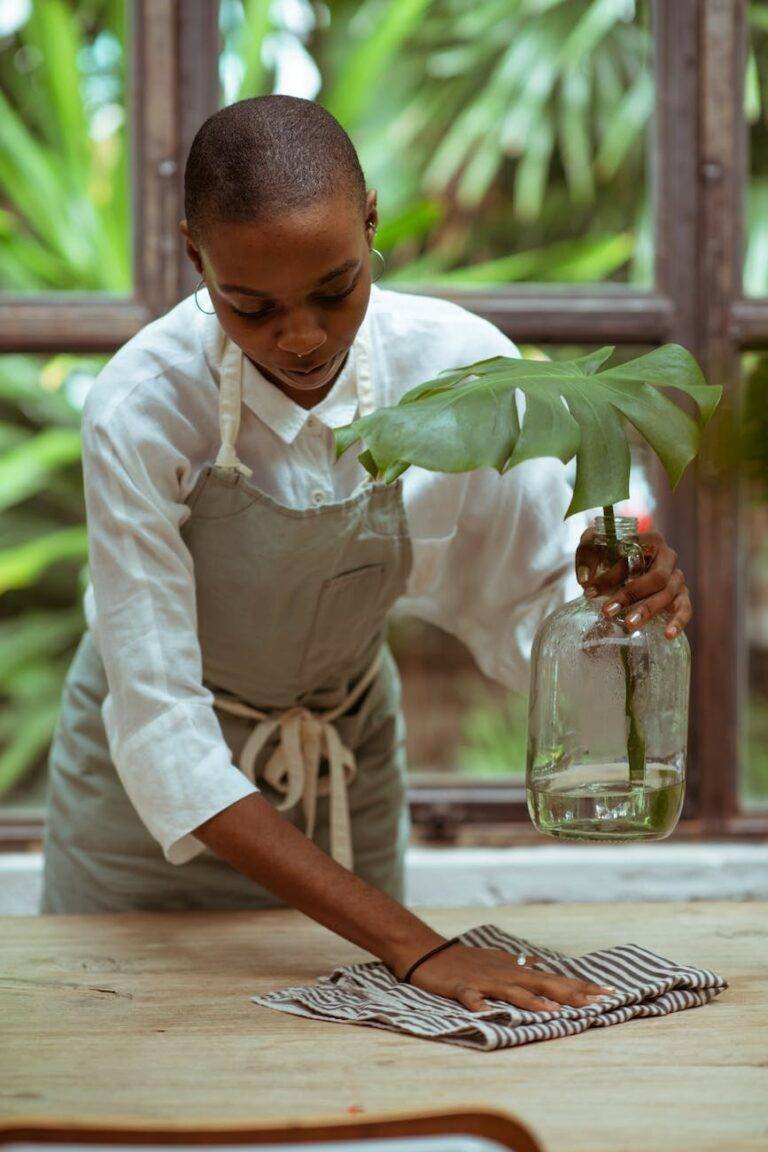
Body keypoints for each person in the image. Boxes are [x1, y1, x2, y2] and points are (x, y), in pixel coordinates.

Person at [39, 95, 692, 1015]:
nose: (300, 337)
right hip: (139, 830)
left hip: (350, 773)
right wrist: (421, 951)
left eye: (334, 289)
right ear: (196, 256)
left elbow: (541, 588)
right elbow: (161, 736)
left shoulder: (457, 364)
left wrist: (614, 585)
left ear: (372, 221)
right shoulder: (142, 408)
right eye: (250, 306)